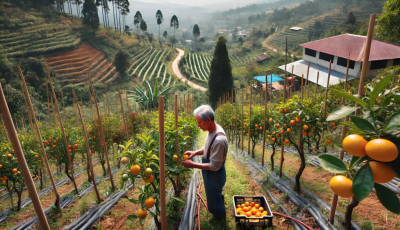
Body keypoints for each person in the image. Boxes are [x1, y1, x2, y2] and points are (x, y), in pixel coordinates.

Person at [182, 105, 228, 223]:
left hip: (215, 174)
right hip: (213, 174)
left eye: (199, 122)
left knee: (212, 202)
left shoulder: (219, 140)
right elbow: (208, 147)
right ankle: (220, 205)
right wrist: (195, 152)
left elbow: (214, 166)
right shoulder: (213, 130)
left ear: (208, 120)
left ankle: (220, 218)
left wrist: (193, 165)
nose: (198, 125)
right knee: (215, 194)